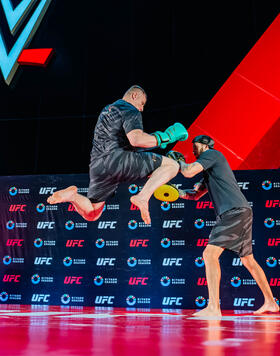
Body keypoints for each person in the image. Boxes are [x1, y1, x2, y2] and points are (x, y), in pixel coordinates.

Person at [47, 85, 188, 224]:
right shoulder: (131, 110)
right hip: (119, 161)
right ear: (134, 96)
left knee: (92, 213)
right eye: (142, 103)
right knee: (172, 166)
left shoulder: (107, 110)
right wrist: (167, 137)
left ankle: (72, 196)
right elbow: (136, 140)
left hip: (98, 166)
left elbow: (123, 143)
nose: (142, 108)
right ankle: (142, 197)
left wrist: (157, 140)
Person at [177, 135, 279, 317]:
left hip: (234, 212)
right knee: (248, 260)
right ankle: (271, 302)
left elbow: (188, 171)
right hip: (241, 211)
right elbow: (194, 195)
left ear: (204, 145)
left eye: (195, 146)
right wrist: (176, 192)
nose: (193, 150)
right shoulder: (209, 169)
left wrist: (177, 163)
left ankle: (214, 308)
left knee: (209, 254)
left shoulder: (212, 155)